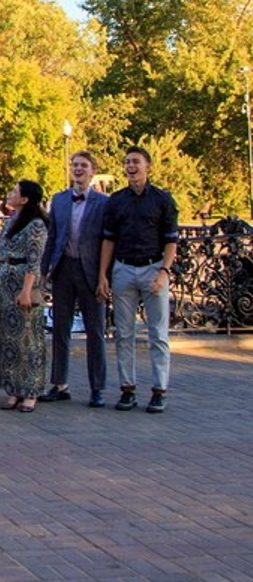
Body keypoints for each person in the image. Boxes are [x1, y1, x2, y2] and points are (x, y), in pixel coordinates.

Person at [97, 145, 179, 414]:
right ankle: (127, 388)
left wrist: (164, 272)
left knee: (158, 332)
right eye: (127, 162)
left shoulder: (163, 200)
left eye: (136, 162)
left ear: (148, 167)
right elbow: (109, 239)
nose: (131, 166)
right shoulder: (116, 201)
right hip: (123, 268)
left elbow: (171, 241)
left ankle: (159, 389)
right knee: (124, 332)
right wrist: (103, 275)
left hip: (153, 267)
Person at [40, 150, 109, 407]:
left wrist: (105, 276)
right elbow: (52, 238)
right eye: (75, 165)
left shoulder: (104, 203)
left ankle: (97, 388)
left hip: (90, 270)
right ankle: (59, 383)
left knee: (95, 330)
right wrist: (44, 271)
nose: (78, 169)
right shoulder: (59, 200)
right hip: (64, 268)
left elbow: (107, 241)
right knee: (60, 328)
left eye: (83, 166)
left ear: (92, 171)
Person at [0, 180, 50, 412]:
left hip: (23, 282)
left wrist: (27, 290)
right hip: (5, 279)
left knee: (28, 338)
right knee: (10, 336)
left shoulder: (35, 225)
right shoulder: (13, 220)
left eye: (14, 191)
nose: (9, 193)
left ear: (25, 198)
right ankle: (14, 388)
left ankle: (31, 390)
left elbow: (35, 260)